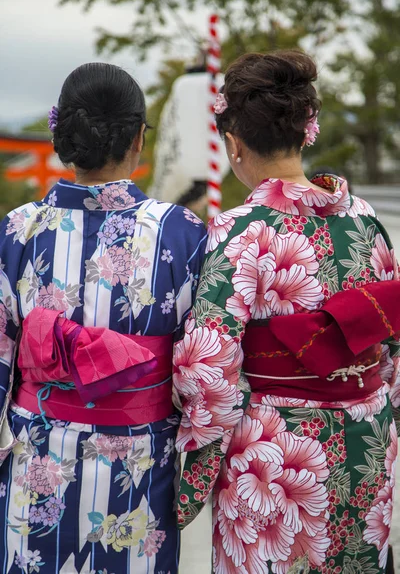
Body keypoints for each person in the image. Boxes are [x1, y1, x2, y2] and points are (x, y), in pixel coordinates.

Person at [173, 51, 400, 573]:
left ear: (233, 143)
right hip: (367, 439)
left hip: (277, 458)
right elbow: (388, 340)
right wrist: (368, 397)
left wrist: (199, 461)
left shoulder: (240, 231)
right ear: (308, 130)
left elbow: (209, 369)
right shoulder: (367, 223)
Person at [0, 63, 207, 573]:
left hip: (37, 464)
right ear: (139, 137)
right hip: (137, 470)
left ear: (61, 136)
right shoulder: (180, 233)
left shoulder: (17, 231)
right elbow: (206, 370)